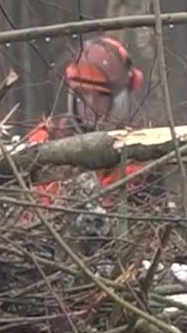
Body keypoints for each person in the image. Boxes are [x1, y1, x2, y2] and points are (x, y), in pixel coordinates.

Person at [24, 34, 152, 209]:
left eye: (100, 96)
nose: (90, 105)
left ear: (120, 98)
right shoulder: (43, 142)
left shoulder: (143, 150)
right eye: (83, 94)